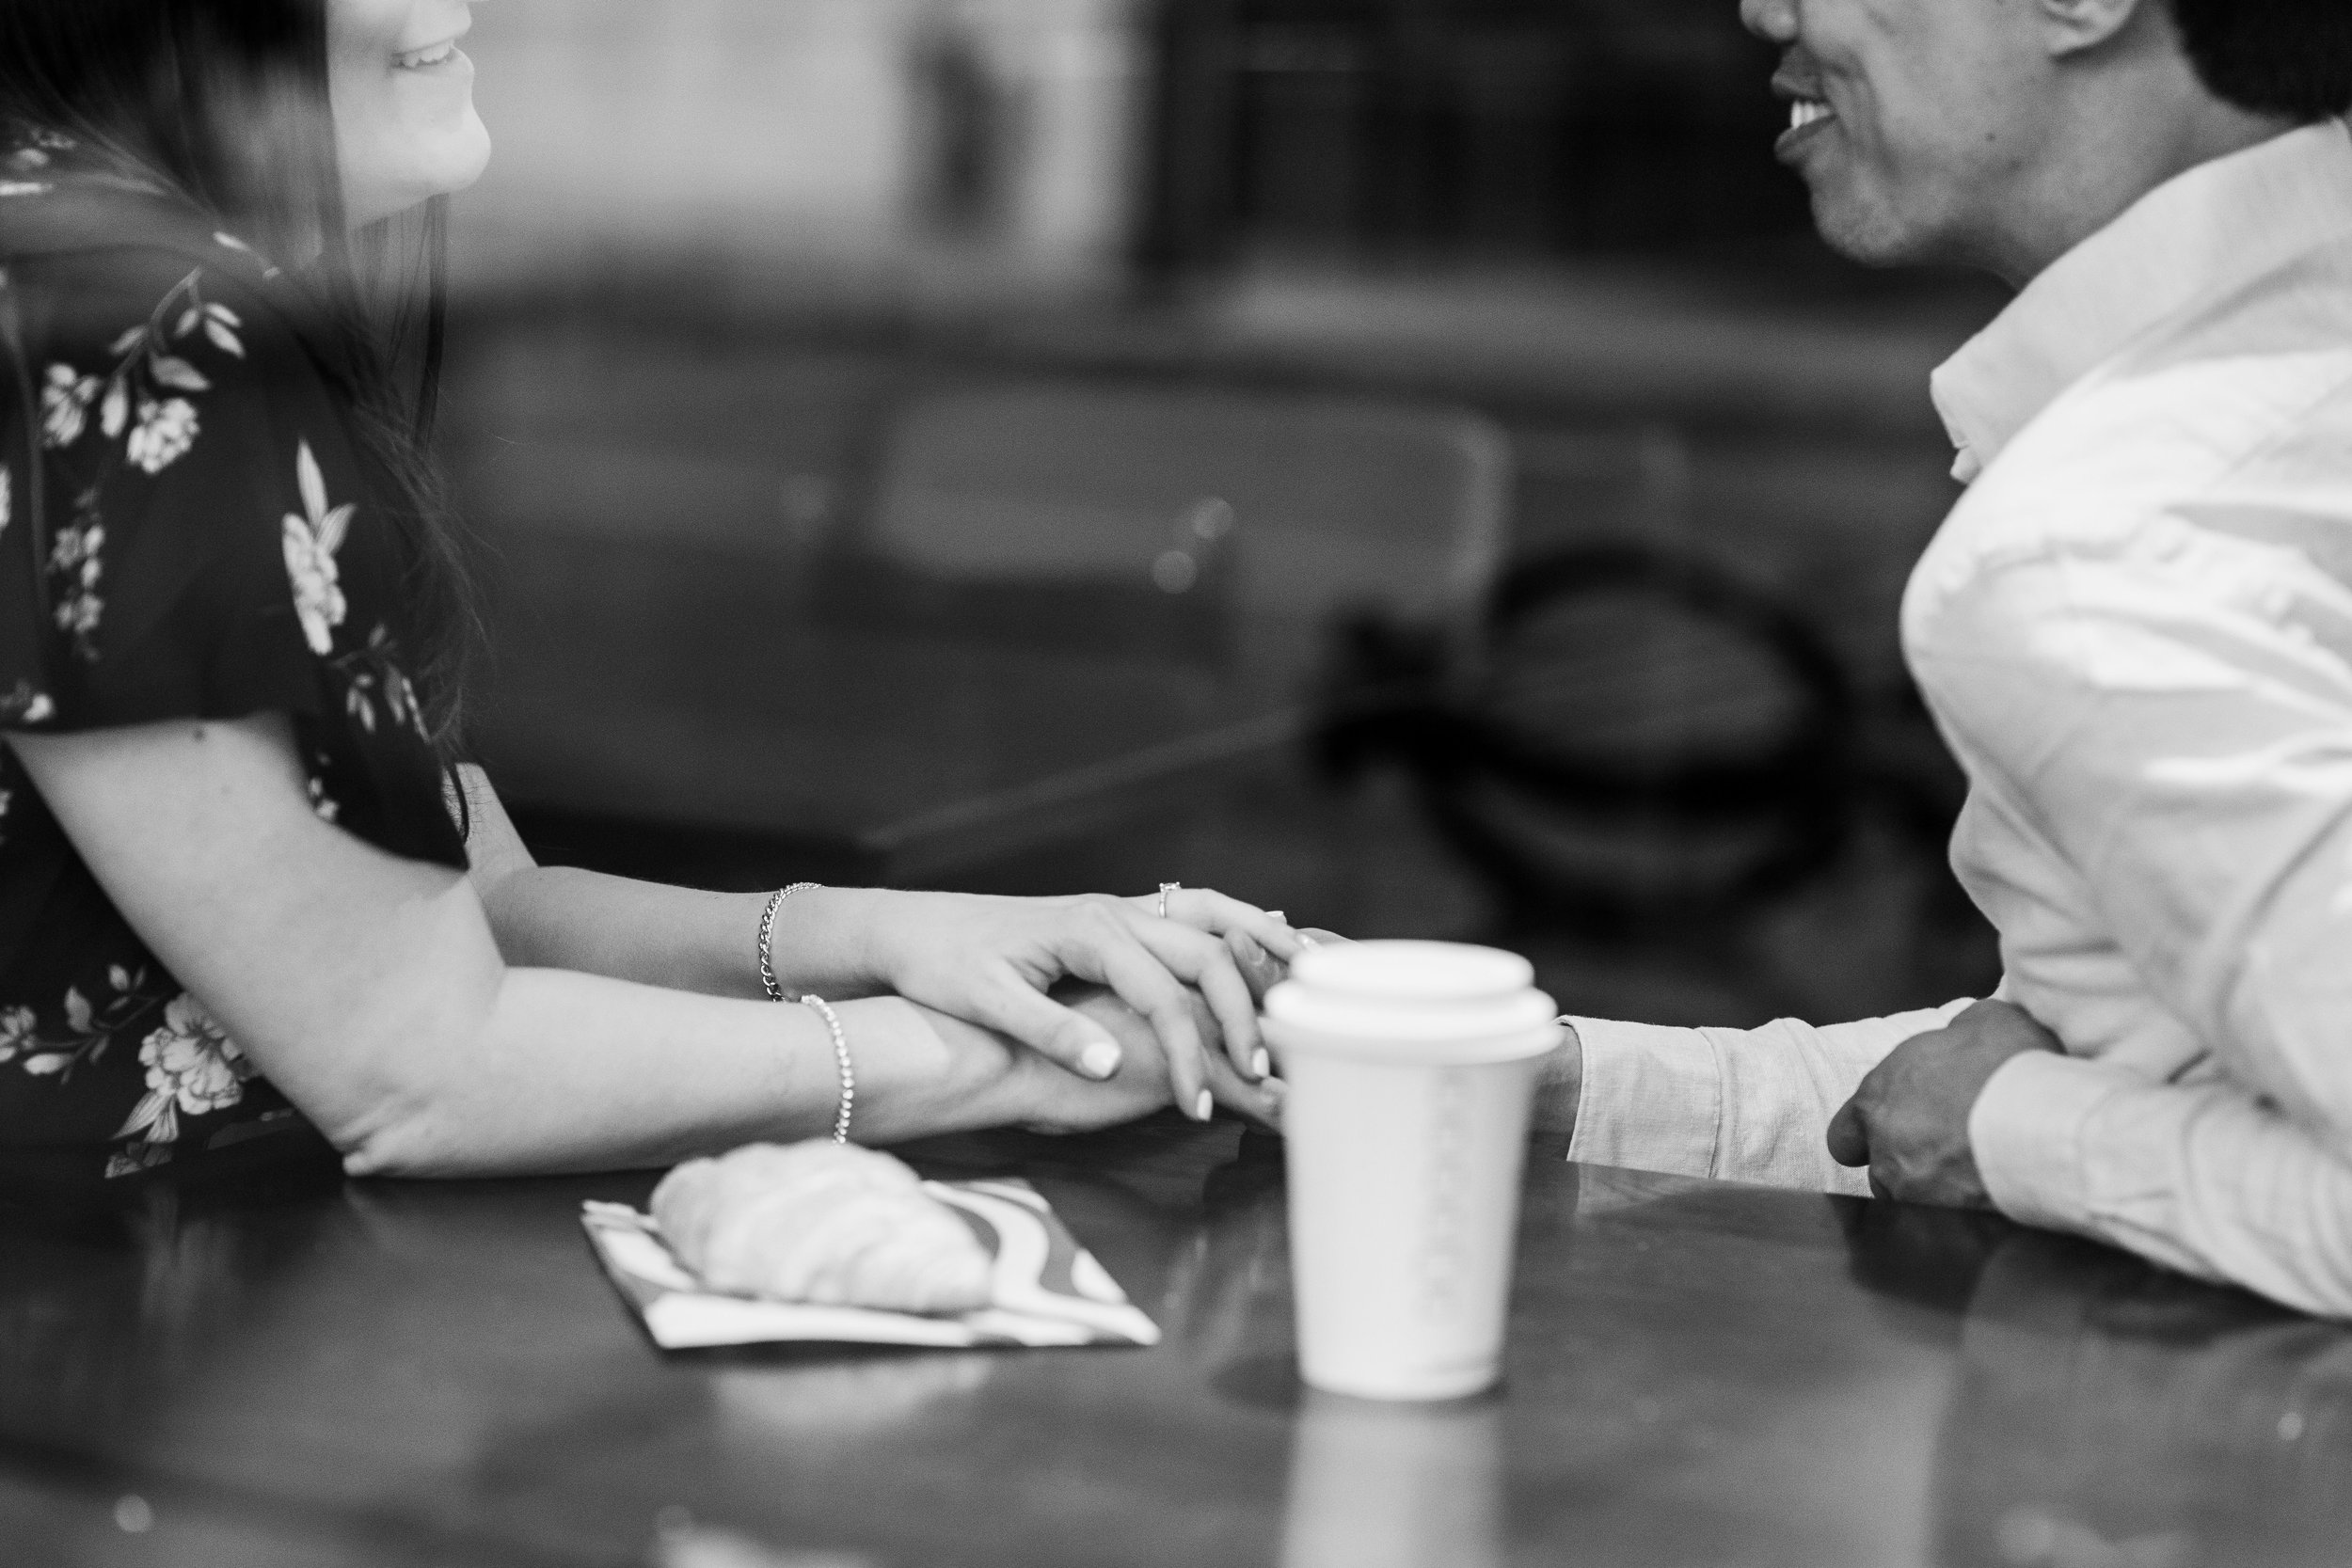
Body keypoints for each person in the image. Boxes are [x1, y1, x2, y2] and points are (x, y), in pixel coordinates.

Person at [0, 0, 1295, 1185]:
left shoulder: (90, 265)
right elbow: (423, 1068)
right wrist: (1038, 1062)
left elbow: (472, 908)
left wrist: (904, 939)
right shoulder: (136, 328)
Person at [1543, 0, 2352, 1318]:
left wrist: (2020, 1133)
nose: (1762, 8)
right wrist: (1544, 1078)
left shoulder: (2104, 548)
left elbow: (2014, 1107)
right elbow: (2077, 1081)